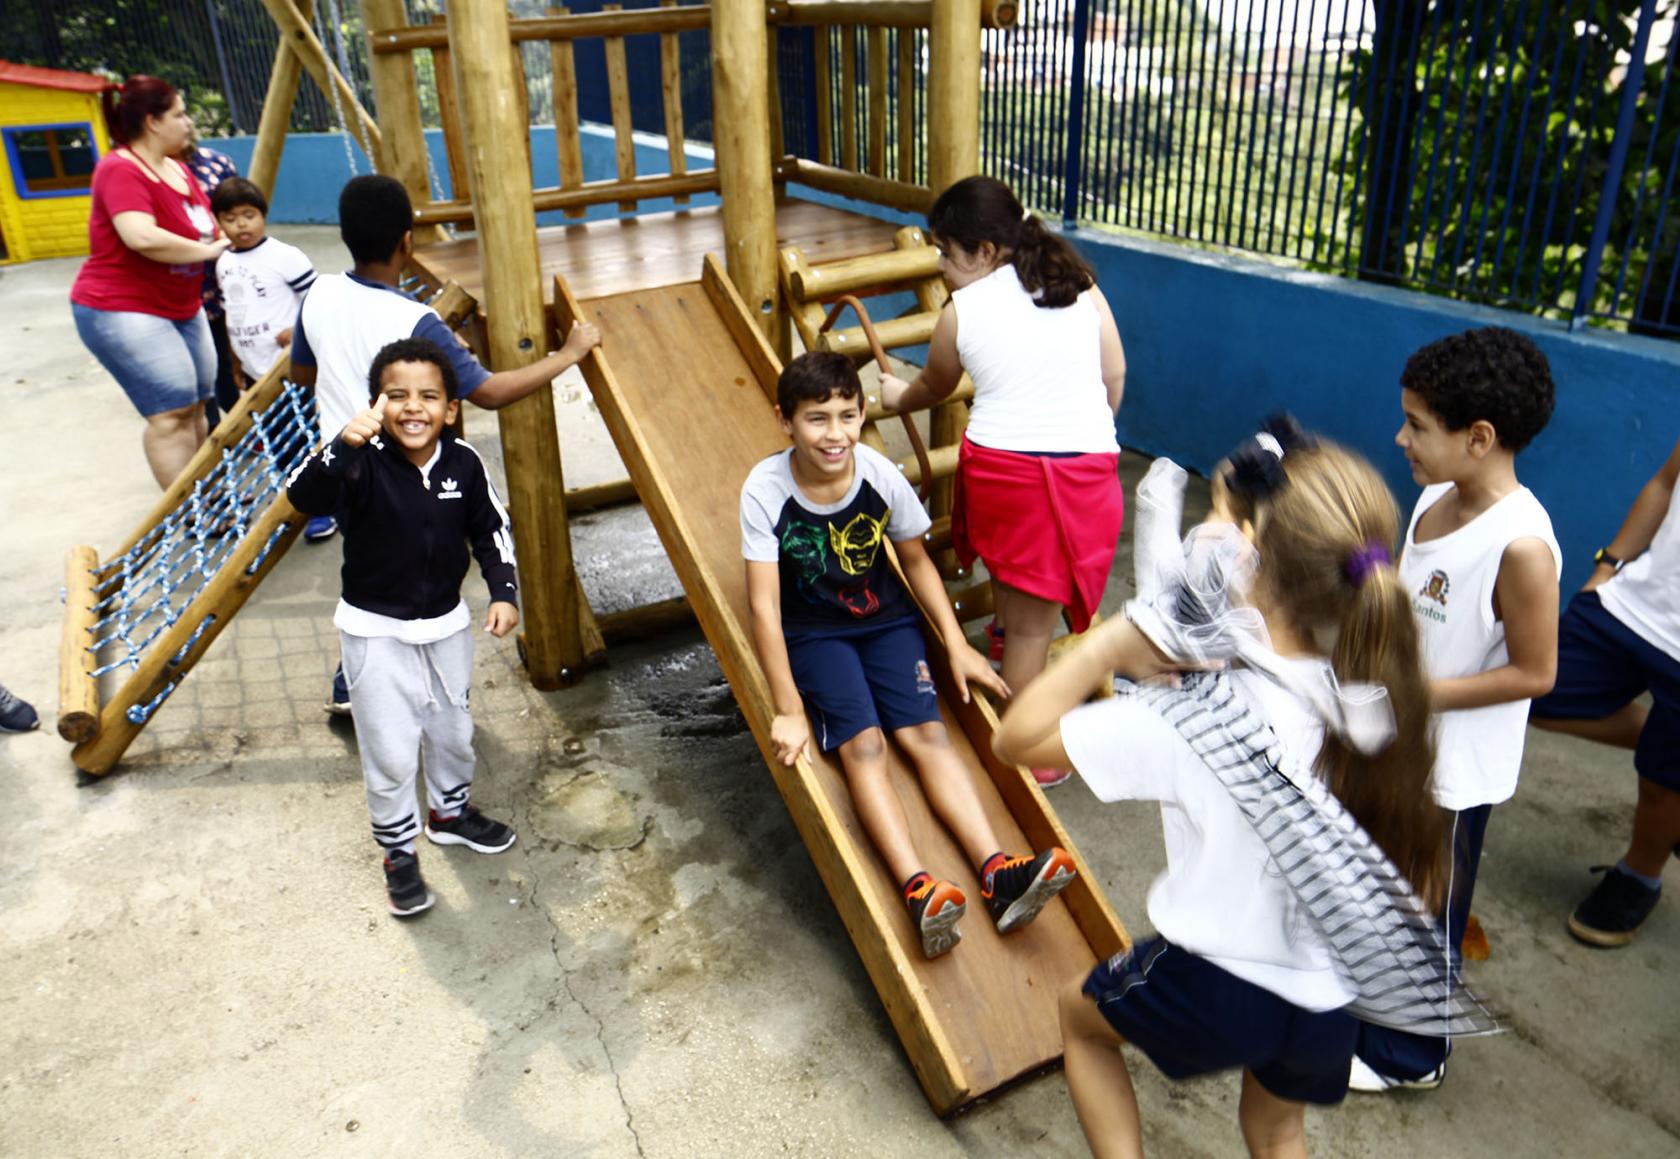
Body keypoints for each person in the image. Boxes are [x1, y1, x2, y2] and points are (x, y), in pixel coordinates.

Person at [994, 435, 1447, 1159]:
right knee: (1275, 1130)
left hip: (1221, 981)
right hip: (1332, 991)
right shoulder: (1377, 690)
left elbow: (1016, 739)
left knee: (1080, 1016)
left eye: (1237, 529)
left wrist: (1113, 641)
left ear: (1256, 563)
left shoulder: (1196, 719)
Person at [743, 352, 1077, 959]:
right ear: (784, 421)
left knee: (928, 733)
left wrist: (957, 647)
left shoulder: (876, 472)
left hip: (887, 622)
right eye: (817, 419)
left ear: (863, 413)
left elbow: (916, 559)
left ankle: (998, 872)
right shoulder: (765, 490)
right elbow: (765, 608)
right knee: (865, 745)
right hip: (815, 635)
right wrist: (788, 708)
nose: (835, 433)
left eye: (848, 415)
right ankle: (917, 887)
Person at [290, 175, 599, 700]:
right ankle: (399, 683)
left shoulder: (318, 290)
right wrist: (567, 355)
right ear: (407, 243)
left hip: (344, 466)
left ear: (344, 234)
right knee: (420, 578)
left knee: (367, 572)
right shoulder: (416, 321)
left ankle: (353, 678)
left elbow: (301, 373)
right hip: (405, 471)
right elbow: (492, 392)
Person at [1349, 327, 1560, 1093]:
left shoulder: (1523, 547)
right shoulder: (1436, 496)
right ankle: (1372, 1011)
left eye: (1417, 425)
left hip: (1454, 768)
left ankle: (1412, 1055)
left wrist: (1422, 694)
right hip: (1400, 740)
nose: (1399, 436)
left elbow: (1537, 671)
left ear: (1479, 437)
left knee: (1424, 909)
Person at [878, 175, 1127, 787]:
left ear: (985, 252)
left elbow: (933, 386)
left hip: (1007, 476)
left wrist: (894, 395)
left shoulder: (961, 313)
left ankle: (1027, 749)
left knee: (1030, 623)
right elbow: (1114, 374)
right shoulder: (1080, 286)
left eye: (946, 250)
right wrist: (1084, 438)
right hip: (1088, 472)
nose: (939, 264)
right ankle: (1013, 654)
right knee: (1030, 605)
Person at [286, 337, 521, 917]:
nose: (412, 407)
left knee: (452, 732)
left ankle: (449, 813)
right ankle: (398, 853)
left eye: (428, 397)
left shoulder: (464, 462)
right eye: (396, 396)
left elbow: (492, 528)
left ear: (451, 408)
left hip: (446, 629)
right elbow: (300, 495)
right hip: (374, 632)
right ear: (375, 405)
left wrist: (504, 592)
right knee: (390, 751)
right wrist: (343, 445)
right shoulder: (357, 461)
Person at [1530, 431, 1680, 947]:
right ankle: (1663, 745)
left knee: (1663, 785)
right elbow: (1665, 482)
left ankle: (1639, 876)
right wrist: (1608, 565)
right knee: (1535, 688)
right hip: (1634, 604)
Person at [71, 76, 230, 489]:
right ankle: (187, 513)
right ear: (152, 121)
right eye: (178, 114)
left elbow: (204, 227)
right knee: (169, 414)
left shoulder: (177, 168)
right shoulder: (119, 168)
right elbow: (139, 236)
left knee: (196, 406)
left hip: (180, 303)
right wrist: (207, 252)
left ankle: (206, 498)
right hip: (122, 307)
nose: (187, 122)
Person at [211, 178, 316, 391]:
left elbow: (320, 299)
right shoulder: (224, 262)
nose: (241, 224)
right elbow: (230, 315)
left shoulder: (284, 256)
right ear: (219, 223)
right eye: (230, 219)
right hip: (252, 368)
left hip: (287, 365)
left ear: (263, 215)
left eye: (249, 216)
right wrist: (236, 362)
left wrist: (300, 329)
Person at [177, 131, 241, 424]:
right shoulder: (145, 173)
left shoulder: (215, 164)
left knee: (225, 356)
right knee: (196, 367)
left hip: (221, 276)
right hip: (181, 281)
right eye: (176, 116)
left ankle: (239, 422)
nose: (186, 123)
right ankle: (213, 432)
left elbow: (239, 206)